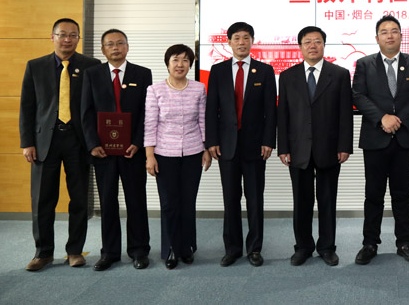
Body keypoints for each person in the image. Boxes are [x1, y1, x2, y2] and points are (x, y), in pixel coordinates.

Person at [19, 18, 101, 271]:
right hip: (45, 142)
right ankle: (43, 253)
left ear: (78, 39)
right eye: (62, 34)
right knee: (42, 200)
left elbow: (97, 106)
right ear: (52, 36)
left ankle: (74, 251)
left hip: (79, 141)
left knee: (79, 199)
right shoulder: (35, 66)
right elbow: (27, 107)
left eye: (73, 35)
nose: (67, 39)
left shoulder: (91, 66)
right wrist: (27, 142)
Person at [352, 15, 409, 265]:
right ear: (377, 38)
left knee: (402, 193)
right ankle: (369, 243)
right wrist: (382, 118)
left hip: (404, 138)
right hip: (375, 138)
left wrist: (398, 119)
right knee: (373, 194)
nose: (389, 35)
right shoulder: (364, 64)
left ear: (401, 36)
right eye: (384, 32)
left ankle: (405, 242)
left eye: (394, 31)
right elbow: (358, 95)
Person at [277, 26, 353, 267]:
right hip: (297, 148)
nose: (312, 45)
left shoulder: (339, 74)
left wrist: (344, 145)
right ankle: (303, 247)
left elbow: (345, 114)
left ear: (324, 45)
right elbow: (283, 115)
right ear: (300, 47)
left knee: (327, 201)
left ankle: (327, 247)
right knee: (301, 201)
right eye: (307, 42)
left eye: (317, 41)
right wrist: (283, 147)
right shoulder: (287, 76)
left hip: (329, 148)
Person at [206, 22, 277, 267]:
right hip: (226, 146)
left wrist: (268, 141)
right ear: (229, 42)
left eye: (246, 37)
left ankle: (254, 248)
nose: (241, 42)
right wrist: (212, 141)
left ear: (252, 41)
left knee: (255, 199)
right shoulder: (217, 70)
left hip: (255, 146)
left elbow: (271, 110)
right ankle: (233, 249)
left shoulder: (265, 70)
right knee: (231, 199)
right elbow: (211, 109)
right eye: (236, 38)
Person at [81, 29, 152, 271]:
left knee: (136, 202)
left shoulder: (142, 74)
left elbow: (146, 112)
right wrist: (93, 144)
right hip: (103, 152)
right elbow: (86, 112)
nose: (115, 48)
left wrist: (138, 142)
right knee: (107, 203)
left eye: (120, 43)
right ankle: (109, 253)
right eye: (110, 44)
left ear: (127, 47)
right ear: (103, 50)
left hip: (132, 150)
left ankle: (139, 250)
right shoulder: (92, 74)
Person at [144, 44, 211, 269]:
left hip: (193, 152)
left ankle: (187, 247)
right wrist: (149, 155)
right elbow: (150, 124)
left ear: (190, 64)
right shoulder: (155, 90)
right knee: (169, 203)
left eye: (185, 60)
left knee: (188, 202)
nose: (180, 64)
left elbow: (203, 120)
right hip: (164, 154)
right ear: (167, 63)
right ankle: (170, 249)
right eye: (175, 60)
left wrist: (206, 149)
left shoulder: (199, 88)